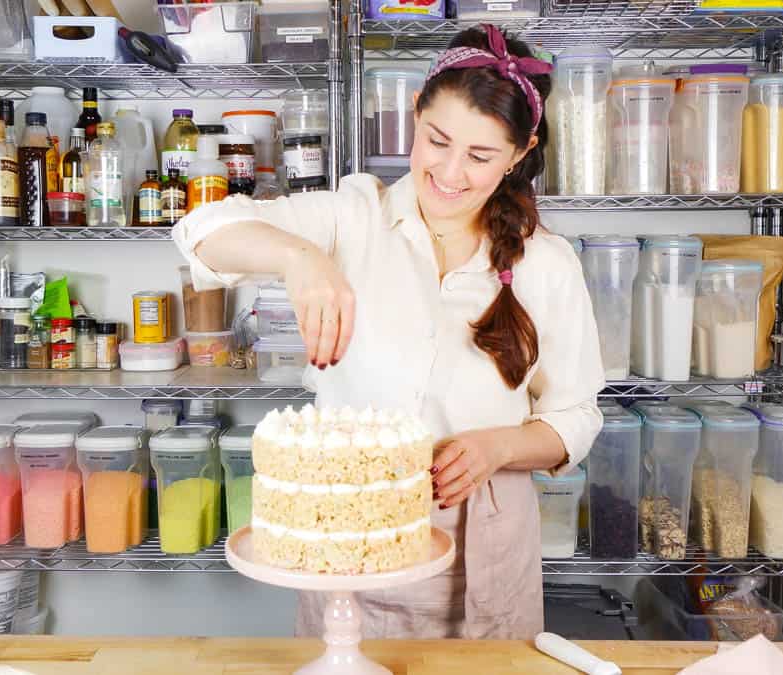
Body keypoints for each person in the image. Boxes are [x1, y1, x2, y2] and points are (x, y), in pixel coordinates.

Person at [174, 25, 604, 639]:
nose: (451, 173)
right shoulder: (355, 216)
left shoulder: (548, 263)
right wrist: (301, 259)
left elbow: (576, 417)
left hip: (486, 537)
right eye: (437, 140)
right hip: (351, 532)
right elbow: (202, 229)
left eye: (481, 157)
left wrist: (499, 447)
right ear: (415, 115)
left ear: (520, 152)